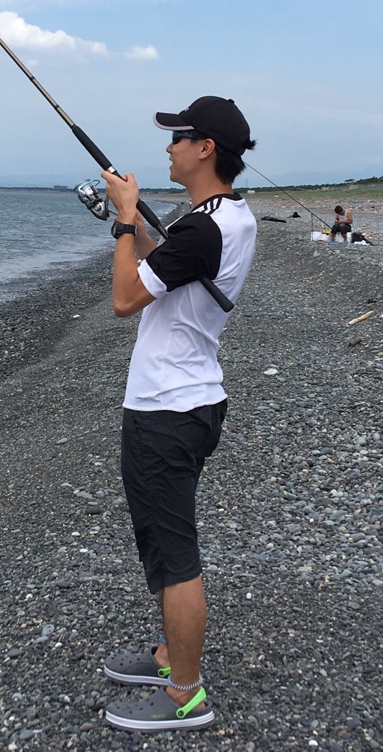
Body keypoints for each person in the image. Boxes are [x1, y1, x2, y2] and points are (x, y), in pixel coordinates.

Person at [99, 96, 257, 732]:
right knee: (163, 543)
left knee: (173, 551)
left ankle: (186, 694)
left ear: (206, 148)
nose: (169, 147)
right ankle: (169, 654)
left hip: (167, 408)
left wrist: (124, 220)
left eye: (179, 137)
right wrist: (138, 226)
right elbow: (165, 269)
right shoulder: (225, 217)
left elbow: (124, 297)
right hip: (192, 399)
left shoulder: (203, 229)